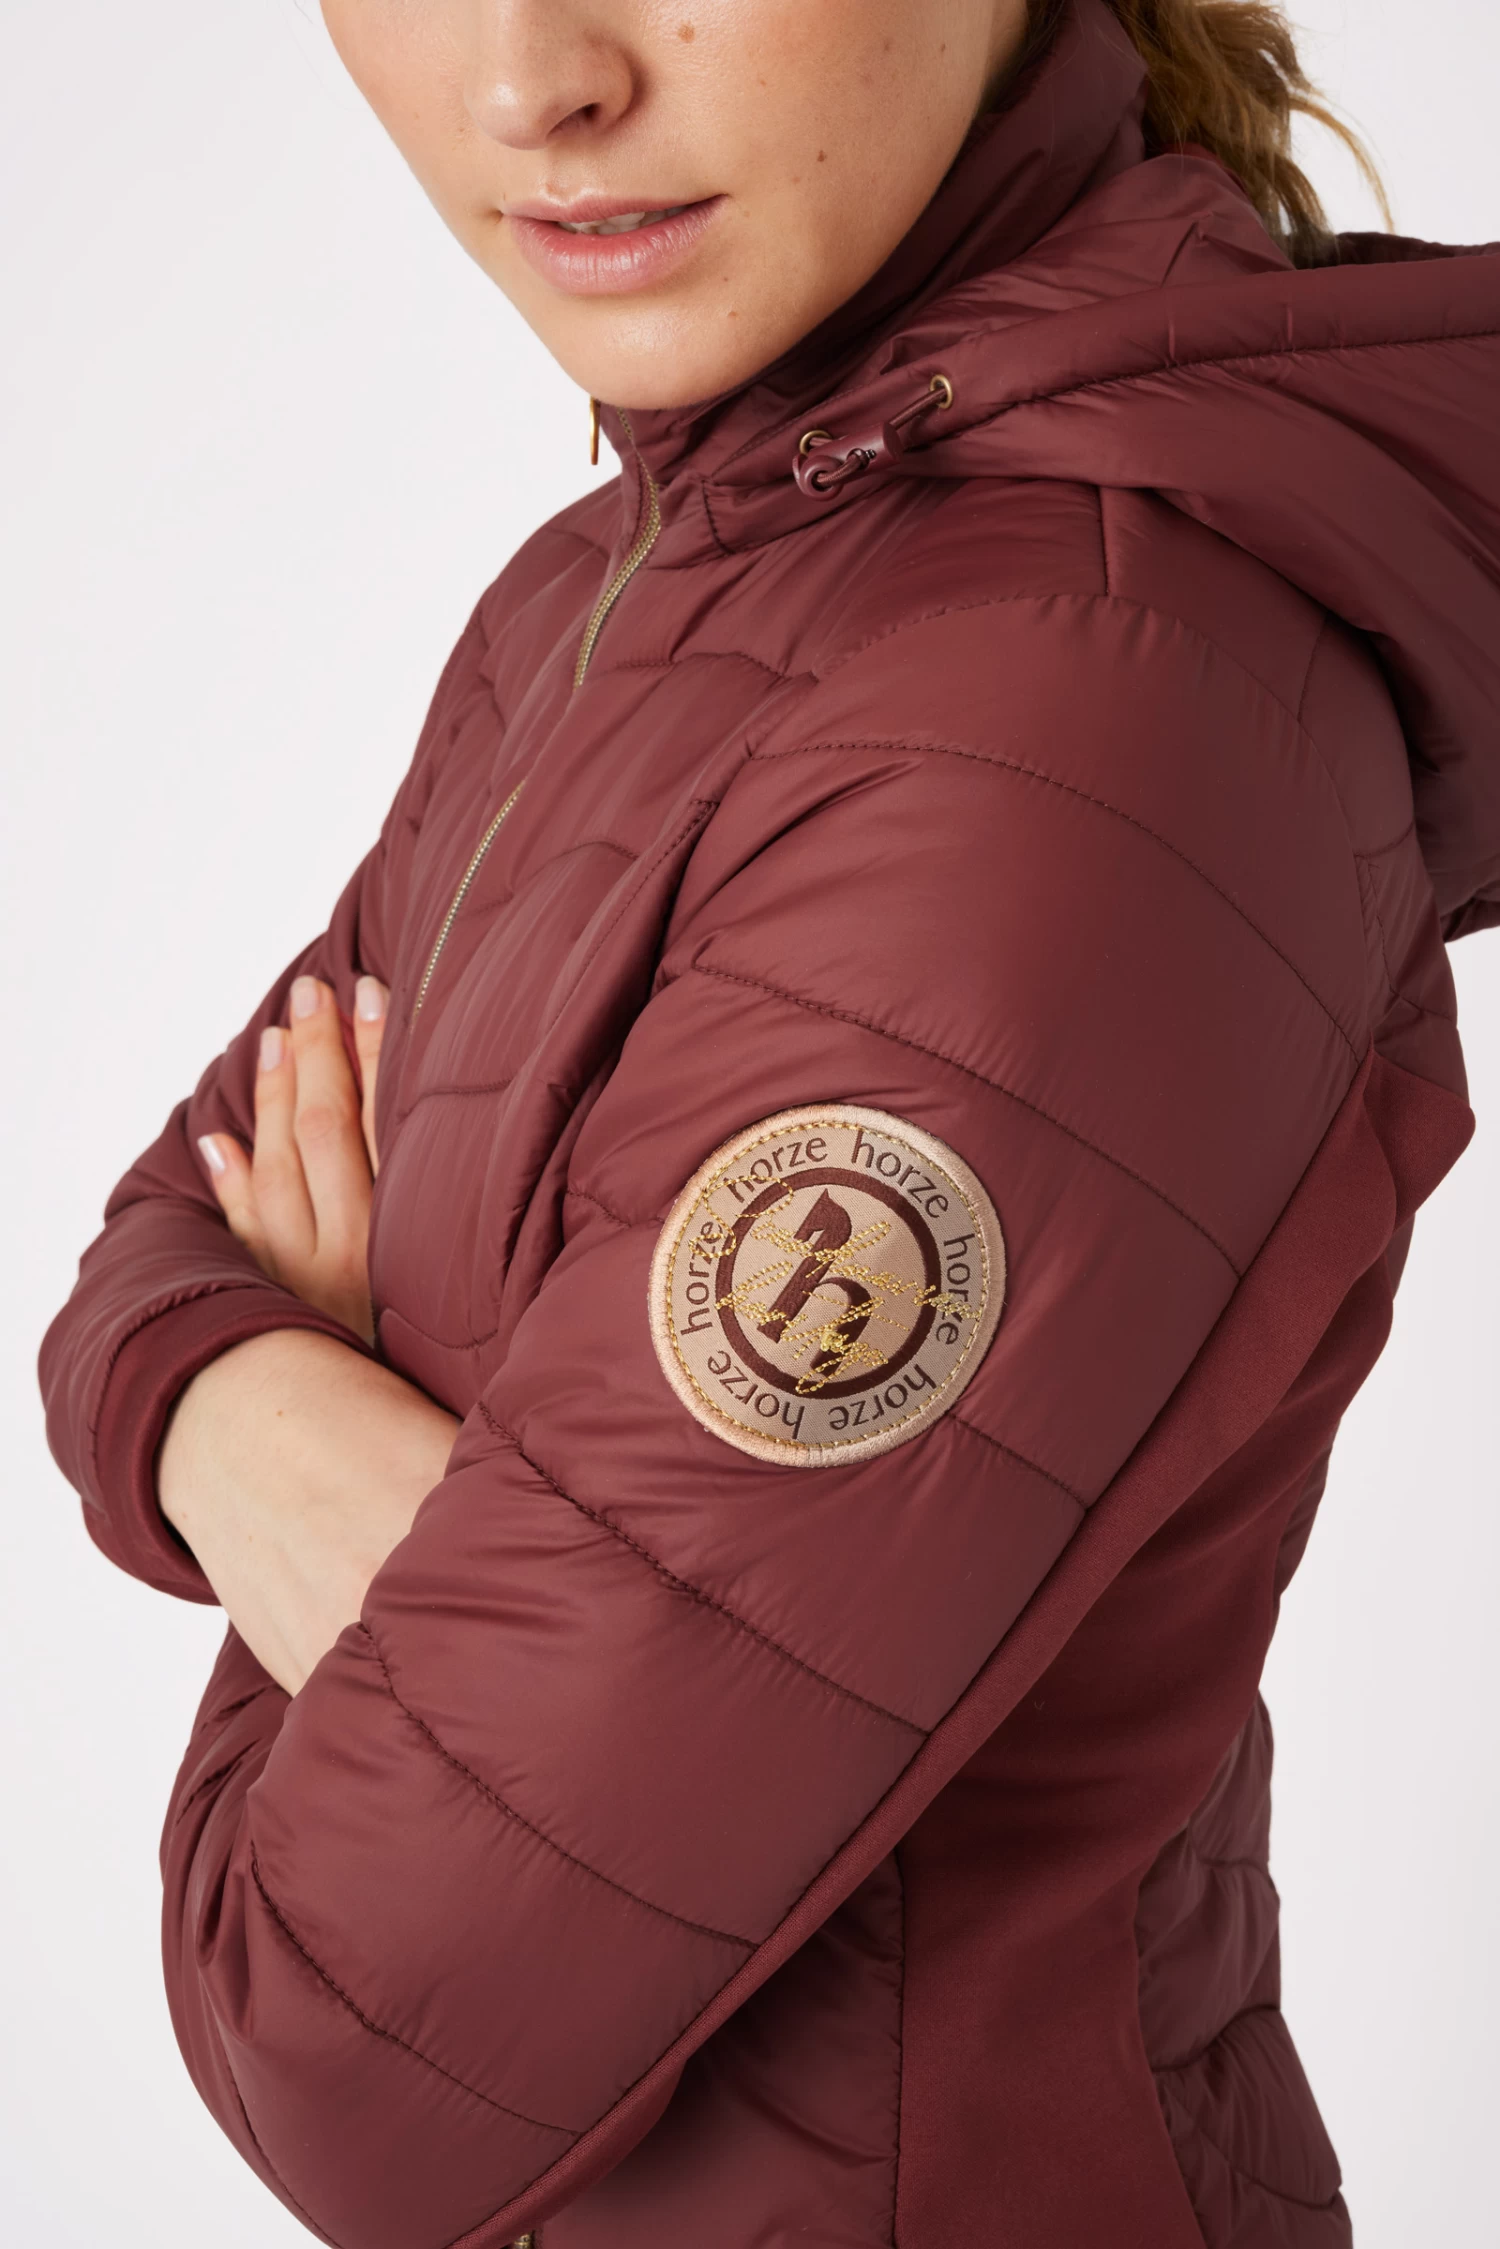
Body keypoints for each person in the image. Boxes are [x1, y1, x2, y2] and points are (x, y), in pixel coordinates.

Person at [36, 1, 1500, 2243]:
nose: (530, 80)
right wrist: (247, 1407)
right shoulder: (632, 577)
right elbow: (162, 1239)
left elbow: (358, 2028)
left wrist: (311, 1464)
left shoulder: (1059, 722)